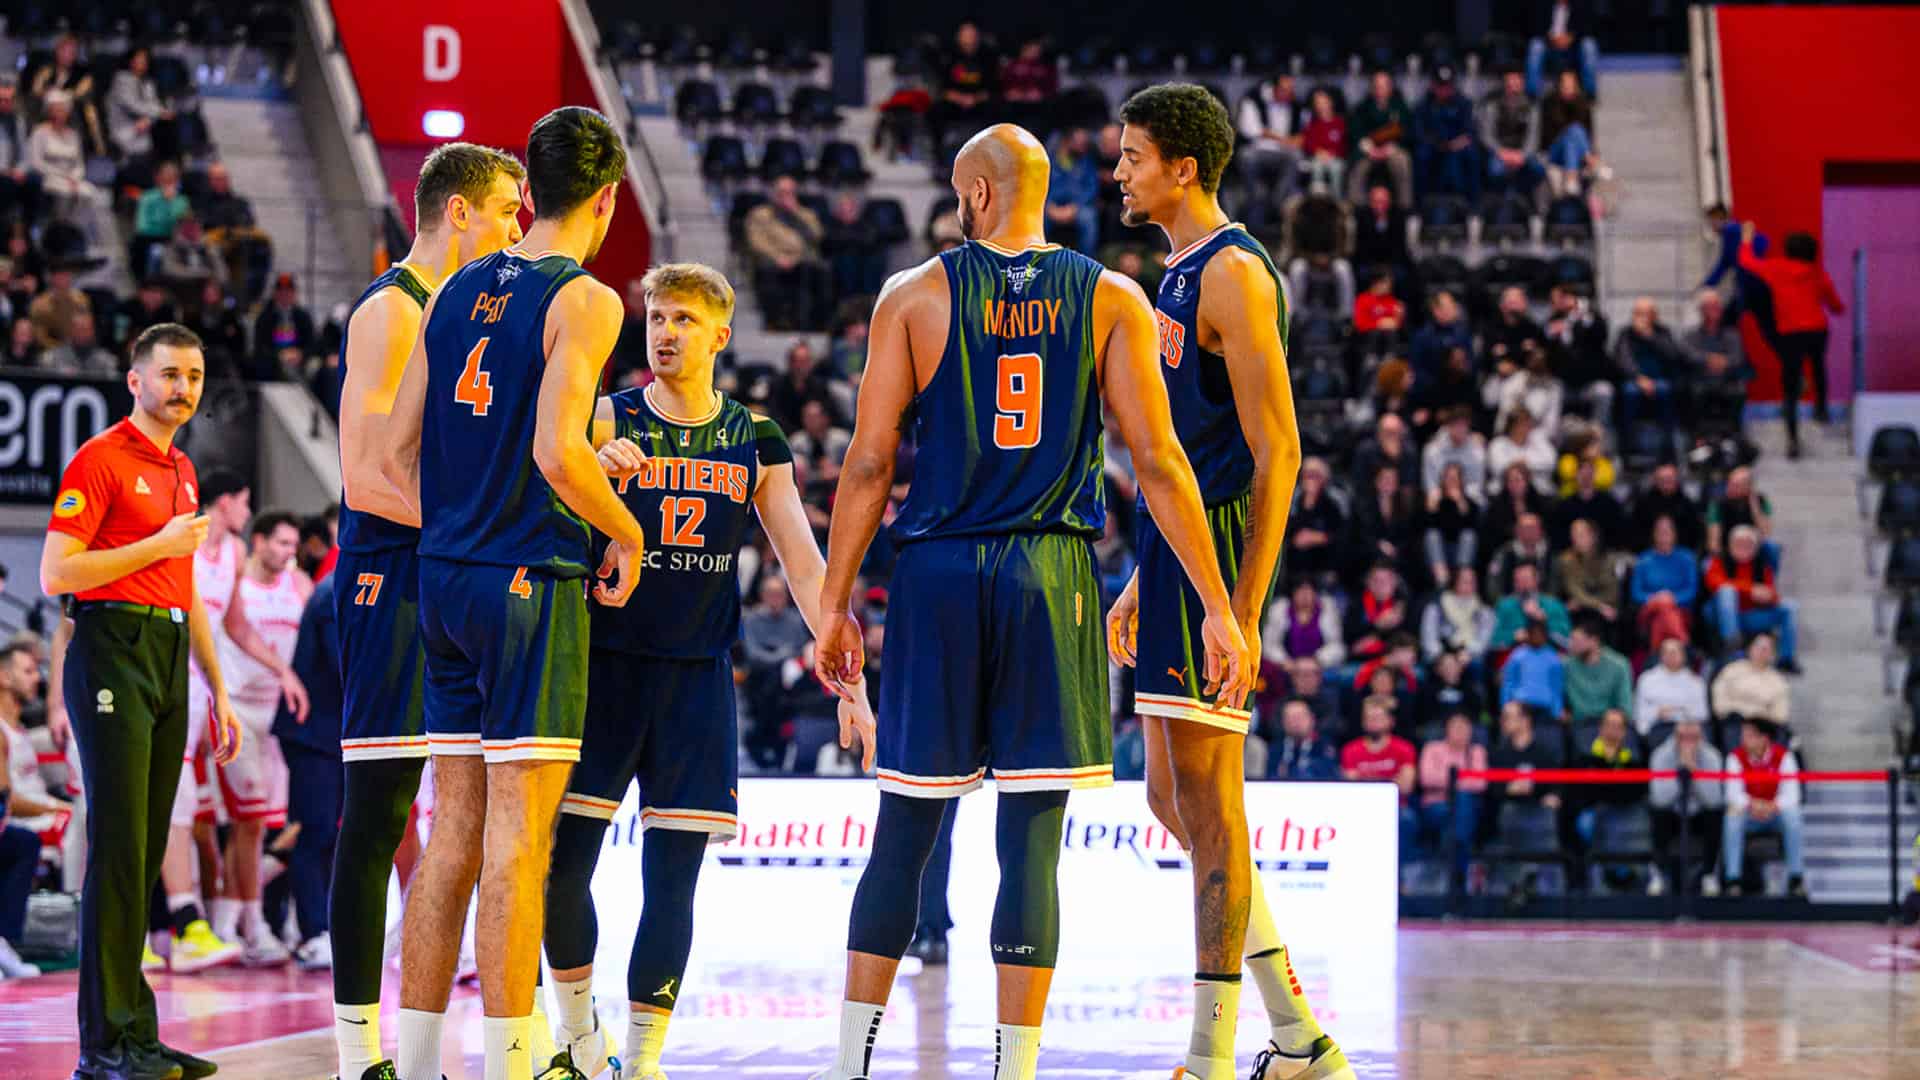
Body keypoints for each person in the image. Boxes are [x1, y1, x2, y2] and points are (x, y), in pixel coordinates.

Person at [807, 122, 1250, 1080]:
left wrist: (834, 602)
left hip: (937, 578)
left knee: (906, 832)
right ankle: (1016, 1068)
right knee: (1032, 840)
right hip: (1052, 576)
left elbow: (872, 462)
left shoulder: (914, 295)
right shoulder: (1111, 296)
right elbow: (1163, 465)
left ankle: (849, 1066)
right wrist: (1218, 603)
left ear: (972, 195)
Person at [543, 264, 877, 1080]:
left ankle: (644, 1060)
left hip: (696, 681)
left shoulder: (753, 437)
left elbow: (802, 563)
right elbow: (543, 515)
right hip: (605, 670)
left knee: (674, 878)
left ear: (721, 336)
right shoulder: (602, 419)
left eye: (685, 320)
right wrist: (591, 476)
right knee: (562, 868)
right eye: (657, 317)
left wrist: (850, 682)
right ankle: (582, 1040)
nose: (665, 333)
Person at [381, 107, 643, 1080]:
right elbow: (556, 452)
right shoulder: (586, 299)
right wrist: (627, 526)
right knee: (515, 840)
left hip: (441, 578)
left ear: (527, 193)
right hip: (527, 585)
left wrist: (465, 519)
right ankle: (513, 1062)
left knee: (448, 828)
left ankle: (411, 1064)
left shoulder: (443, 295)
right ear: (608, 198)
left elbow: (399, 450)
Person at [1106, 85, 1344, 1079]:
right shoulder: (1172, 273)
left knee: (1211, 803)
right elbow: (1180, 454)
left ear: (1183, 168)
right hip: (1176, 548)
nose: (1119, 171)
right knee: (1170, 798)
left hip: (1225, 545)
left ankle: (1208, 1058)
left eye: (1132, 157)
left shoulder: (1236, 274)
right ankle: (1297, 1039)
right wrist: (1141, 572)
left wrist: (1237, 611)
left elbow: (1277, 451)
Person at [329, 141, 525, 1080]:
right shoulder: (392, 310)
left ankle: (427, 1047)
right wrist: (482, 528)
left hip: (445, 572)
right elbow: (367, 476)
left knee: (458, 815)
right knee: (378, 812)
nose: (518, 228)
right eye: (506, 211)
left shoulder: (458, 314)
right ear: (460, 215)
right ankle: (353, 1051)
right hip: (388, 575)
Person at [40, 323, 244, 1080]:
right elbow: (58, 573)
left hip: (168, 648)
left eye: (192, 375)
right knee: (119, 850)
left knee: (147, 850)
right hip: (109, 647)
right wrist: (157, 544)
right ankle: (103, 1046)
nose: (182, 389)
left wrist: (219, 691)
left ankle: (139, 1033)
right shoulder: (98, 460)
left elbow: (185, 584)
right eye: (168, 375)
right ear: (135, 380)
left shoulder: (184, 469)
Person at [204, 511, 309, 967]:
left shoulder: (300, 585)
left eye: (293, 546)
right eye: (281, 543)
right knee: (245, 823)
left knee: (285, 822)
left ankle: (250, 916)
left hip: (283, 714)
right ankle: (243, 923)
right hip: (239, 709)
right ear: (260, 541)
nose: (288, 553)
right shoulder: (235, 583)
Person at [271, 570, 342, 971]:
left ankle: (322, 928)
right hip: (312, 732)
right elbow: (344, 664)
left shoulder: (340, 584)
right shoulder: (337, 590)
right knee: (313, 830)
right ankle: (313, 933)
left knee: (328, 833)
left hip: (333, 733)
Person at [1738, 227, 1844, 457]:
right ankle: (1822, 408)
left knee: (1790, 385)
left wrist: (1746, 240)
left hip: (1791, 332)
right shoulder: (1817, 272)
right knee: (1818, 368)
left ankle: (1793, 440)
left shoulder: (1777, 269)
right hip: (1817, 329)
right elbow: (1835, 303)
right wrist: (1838, 308)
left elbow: (1747, 261)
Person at [0, 641, 60, 979]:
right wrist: (58, 808)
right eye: (28, 671)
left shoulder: (22, 731)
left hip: (33, 814)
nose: (37, 678)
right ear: (4, 677)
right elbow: (8, 800)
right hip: (20, 817)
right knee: (26, 842)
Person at [1721, 719, 1807, 898]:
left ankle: (1796, 878)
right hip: (1749, 815)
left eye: (1749, 735)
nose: (1743, 739)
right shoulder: (1734, 757)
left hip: (1775, 815)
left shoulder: (1785, 757)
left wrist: (1771, 806)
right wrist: (1754, 805)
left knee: (1793, 816)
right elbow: (1733, 794)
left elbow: (1792, 795)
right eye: (1743, 735)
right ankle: (1733, 879)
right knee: (1732, 816)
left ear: (1764, 738)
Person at [1706, 525, 1800, 672]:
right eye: (1739, 543)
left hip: (1751, 616)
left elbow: (1772, 594)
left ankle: (1786, 659)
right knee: (1727, 592)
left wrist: (1768, 597)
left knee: (1789, 607)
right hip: (1723, 617)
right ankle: (1732, 646)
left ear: (1755, 548)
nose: (1743, 547)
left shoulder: (1762, 566)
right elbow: (1714, 583)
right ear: (1730, 545)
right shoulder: (1719, 561)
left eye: (1748, 544)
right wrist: (1750, 590)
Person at [1648, 718, 1723, 897]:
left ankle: (1709, 874)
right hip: (1672, 812)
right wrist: (1681, 773)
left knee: (1715, 815)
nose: (1688, 742)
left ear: (1701, 737)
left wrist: (1694, 773)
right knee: (1658, 814)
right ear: (1675, 737)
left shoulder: (1712, 756)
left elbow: (1713, 800)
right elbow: (1660, 799)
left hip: (1699, 813)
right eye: (1683, 737)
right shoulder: (1661, 755)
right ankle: (1658, 873)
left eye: (1693, 737)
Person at [745, 175, 829, 331]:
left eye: (789, 193)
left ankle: (817, 322)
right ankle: (776, 322)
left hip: (801, 260)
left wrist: (796, 214)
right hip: (773, 259)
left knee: (822, 271)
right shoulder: (760, 215)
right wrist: (778, 258)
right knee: (767, 272)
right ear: (774, 194)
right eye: (781, 193)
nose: (785, 197)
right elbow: (756, 242)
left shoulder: (805, 214)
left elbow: (817, 236)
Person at [1339, 696, 1417, 856]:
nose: (1374, 722)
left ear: (1391, 721)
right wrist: (1389, 781)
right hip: (1358, 807)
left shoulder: (1404, 748)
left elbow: (1406, 787)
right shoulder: (1350, 750)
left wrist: (1366, 779)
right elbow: (1349, 787)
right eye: (1369, 718)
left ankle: (1398, 877)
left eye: (1379, 718)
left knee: (1407, 819)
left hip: (1396, 807)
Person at [1417, 712, 1487, 879]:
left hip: (1467, 806)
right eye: (1455, 727)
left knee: (1462, 802)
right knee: (1454, 812)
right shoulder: (1432, 748)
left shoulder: (1476, 751)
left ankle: (1449, 870)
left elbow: (1481, 783)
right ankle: (1461, 866)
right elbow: (1426, 779)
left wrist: (1448, 782)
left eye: (1464, 727)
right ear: (1446, 730)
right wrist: (1461, 779)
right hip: (1436, 804)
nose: (1460, 731)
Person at [1611, 296, 1686, 438]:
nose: (1640, 318)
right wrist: (1639, 378)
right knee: (1629, 392)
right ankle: (1627, 443)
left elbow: (1673, 356)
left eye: (1644, 313)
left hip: (1660, 379)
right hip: (1634, 380)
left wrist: (1649, 336)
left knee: (1666, 390)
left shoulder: (1663, 332)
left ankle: (1668, 447)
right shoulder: (1625, 333)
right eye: (1637, 313)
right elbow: (1622, 360)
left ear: (1654, 315)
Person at [1346, 70, 1414, 208]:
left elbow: (1407, 132)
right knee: (1357, 167)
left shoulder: (1401, 107)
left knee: (1402, 162)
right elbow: (1356, 133)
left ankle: (1404, 208)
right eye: (1377, 86)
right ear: (1371, 88)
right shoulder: (1361, 108)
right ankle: (1357, 209)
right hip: (1369, 151)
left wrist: (1389, 149)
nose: (1380, 89)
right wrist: (1371, 150)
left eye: (1384, 86)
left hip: (1392, 150)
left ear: (1390, 87)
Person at [1630, 515, 1698, 649]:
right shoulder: (1644, 559)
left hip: (1680, 609)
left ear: (1675, 534)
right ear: (1654, 534)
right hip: (1649, 609)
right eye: (1660, 531)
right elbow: (1636, 592)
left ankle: (1656, 656)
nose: (1663, 535)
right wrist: (1656, 599)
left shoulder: (1686, 558)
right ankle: (1685, 648)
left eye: (1667, 531)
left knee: (1663, 618)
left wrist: (1671, 599)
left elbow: (1691, 590)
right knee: (1664, 610)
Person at [1413, 67, 1479, 204]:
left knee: (1471, 155)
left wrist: (1457, 143)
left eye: (1447, 86)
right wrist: (1437, 144)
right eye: (1440, 86)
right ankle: (1420, 204)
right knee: (1421, 154)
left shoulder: (1464, 103)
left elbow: (1471, 130)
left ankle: (1472, 206)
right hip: (1434, 145)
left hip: (1457, 145)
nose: (1443, 90)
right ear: (1433, 86)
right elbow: (1418, 131)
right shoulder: (1424, 105)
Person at [1481, 68, 1543, 202]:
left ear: (1522, 85)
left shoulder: (1532, 106)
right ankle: (1497, 204)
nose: (1513, 88)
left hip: (1522, 153)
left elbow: (1533, 137)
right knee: (1495, 170)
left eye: (1517, 85)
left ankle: (1530, 206)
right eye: (1510, 85)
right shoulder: (1493, 105)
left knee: (1538, 170)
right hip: (1500, 152)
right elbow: (1487, 135)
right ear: (1504, 86)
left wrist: (1522, 155)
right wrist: (1502, 153)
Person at [1633, 638, 1709, 740]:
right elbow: (1639, 713)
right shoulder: (1646, 679)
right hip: (1657, 728)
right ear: (1660, 656)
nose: (1670, 656)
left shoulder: (1695, 682)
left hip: (1687, 730)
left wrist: (1676, 712)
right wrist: (1657, 712)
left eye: (1674, 652)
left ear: (1683, 656)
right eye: (1666, 652)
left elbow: (1703, 713)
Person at [1712, 632, 1791, 728]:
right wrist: (1730, 713)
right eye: (1757, 646)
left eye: (1765, 649)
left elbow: (1780, 715)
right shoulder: (1732, 669)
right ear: (1749, 649)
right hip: (1732, 721)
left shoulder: (1778, 680)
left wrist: (1758, 718)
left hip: (1763, 726)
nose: (1760, 651)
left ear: (1772, 654)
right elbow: (1719, 696)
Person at [1562, 616, 1631, 726]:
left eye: (1576, 640)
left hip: (1609, 725)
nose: (1571, 645)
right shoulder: (1567, 665)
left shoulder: (1619, 665)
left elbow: (1625, 705)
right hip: (1578, 724)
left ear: (1594, 641)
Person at [250, 273, 317, 382]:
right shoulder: (265, 317)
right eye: (281, 291)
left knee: (315, 367)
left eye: (288, 291)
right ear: (275, 293)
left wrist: (300, 354)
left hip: (298, 358)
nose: (285, 295)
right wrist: (279, 356)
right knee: (262, 365)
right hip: (274, 361)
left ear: (294, 293)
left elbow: (312, 343)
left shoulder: (303, 316)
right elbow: (260, 346)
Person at [1421, 567, 1493, 668]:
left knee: (1478, 664)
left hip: (1470, 654)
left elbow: (1485, 637)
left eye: (1473, 581)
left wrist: (1468, 653)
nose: (1470, 584)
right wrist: (1442, 656)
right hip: (1441, 653)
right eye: (1465, 581)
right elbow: (1429, 635)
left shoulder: (1483, 607)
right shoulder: (1437, 605)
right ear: (1455, 581)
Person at [1555, 518, 1621, 625]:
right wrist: (1599, 606)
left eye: (1580, 534)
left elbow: (1613, 593)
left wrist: (1592, 604)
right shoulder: (1566, 560)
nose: (1575, 539)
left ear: (1594, 536)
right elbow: (1576, 592)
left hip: (1600, 608)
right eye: (1573, 534)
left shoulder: (1609, 559)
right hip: (1580, 611)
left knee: (1613, 615)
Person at [1500, 617, 1565, 718]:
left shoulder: (1552, 658)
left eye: (1540, 634)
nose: (1537, 637)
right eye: (1534, 633)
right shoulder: (1518, 655)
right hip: (1521, 705)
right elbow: (1509, 682)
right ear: (1528, 634)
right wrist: (1505, 704)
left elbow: (1556, 686)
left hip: (1545, 707)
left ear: (1545, 636)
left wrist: (1557, 710)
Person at [1269, 697, 1339, 781]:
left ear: (1312, 719)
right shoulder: (1275, 749)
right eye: (1290, 718)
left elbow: (1328, 776)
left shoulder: (1325, 748)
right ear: (1283, 722)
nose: (1295, 722)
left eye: (1299, 717)